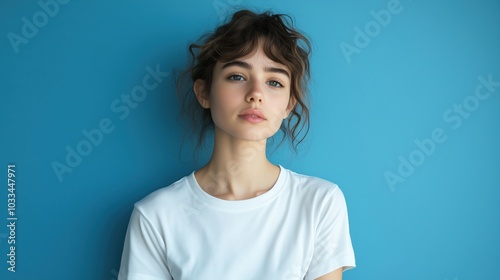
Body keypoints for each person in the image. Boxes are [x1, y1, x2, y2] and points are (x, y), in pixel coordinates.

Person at [118, 9, 355, 280]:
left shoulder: (320, 203)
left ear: (289, 104)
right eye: (237, 76)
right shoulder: (155, 216)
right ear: (204, 92)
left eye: (274, 82)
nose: (256, 94)